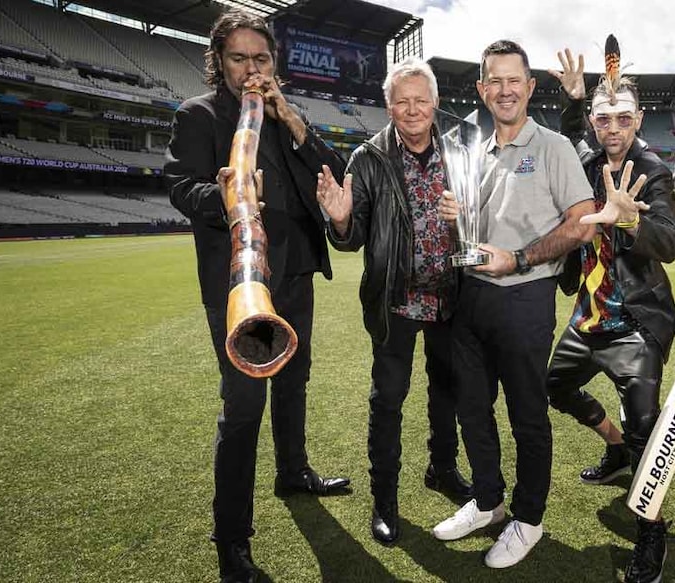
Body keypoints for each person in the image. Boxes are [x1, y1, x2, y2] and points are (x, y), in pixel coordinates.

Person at [165, 10, 349, 583]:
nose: (251, 69)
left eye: (261, 59)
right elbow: (178, 185)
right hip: (240, 286)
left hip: (294, 277)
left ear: (275, 65)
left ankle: (293, 472)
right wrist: (222, 196)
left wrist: (290, 119)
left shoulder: (286, 115)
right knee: (243, 409)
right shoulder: (198, 114)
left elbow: (336, 176)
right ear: (219, 62)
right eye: (240, 58)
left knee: (295, 382)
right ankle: (233, 541)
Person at [430, 39, 596, 569]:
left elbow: (580, 223)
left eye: (513, 80)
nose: (503, 90)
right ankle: (487, 500)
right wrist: (453, 213)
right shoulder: (472, 152)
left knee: (527, 414)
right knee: (472, 409)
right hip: (470, 296)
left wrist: (519, 259)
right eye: (493, 80)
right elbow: (474, 230)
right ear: (482, 89)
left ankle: (528, 517)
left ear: (528, 87)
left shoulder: (554, 147)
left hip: (525, 295)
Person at [314, 57, 472, 547]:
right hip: (395, 300)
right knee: (388, 401)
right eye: (401, 101)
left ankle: (442, 469)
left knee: (447, 392)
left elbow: (485, 218)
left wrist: (465, 216)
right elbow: (352, 235)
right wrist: (340, 220)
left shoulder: (462, 148)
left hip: (452, 295)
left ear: (436, 102)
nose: (412, 109)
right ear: (388, 106)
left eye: (420, 100)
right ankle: (385, 499)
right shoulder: (368, 158)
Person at [545, 47, 675, 583]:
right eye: (604, 119)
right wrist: (576, 99)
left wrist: (629, 222)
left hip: (636, 324)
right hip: (588, 315)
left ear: (639, 120)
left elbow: (669, 242)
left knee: (648, 427)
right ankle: (615, 445)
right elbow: (571, 131)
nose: (613, 128)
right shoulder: (586, 159)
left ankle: (652, 533)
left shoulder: (655, 171)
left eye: (624, 118)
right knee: (552, 388)